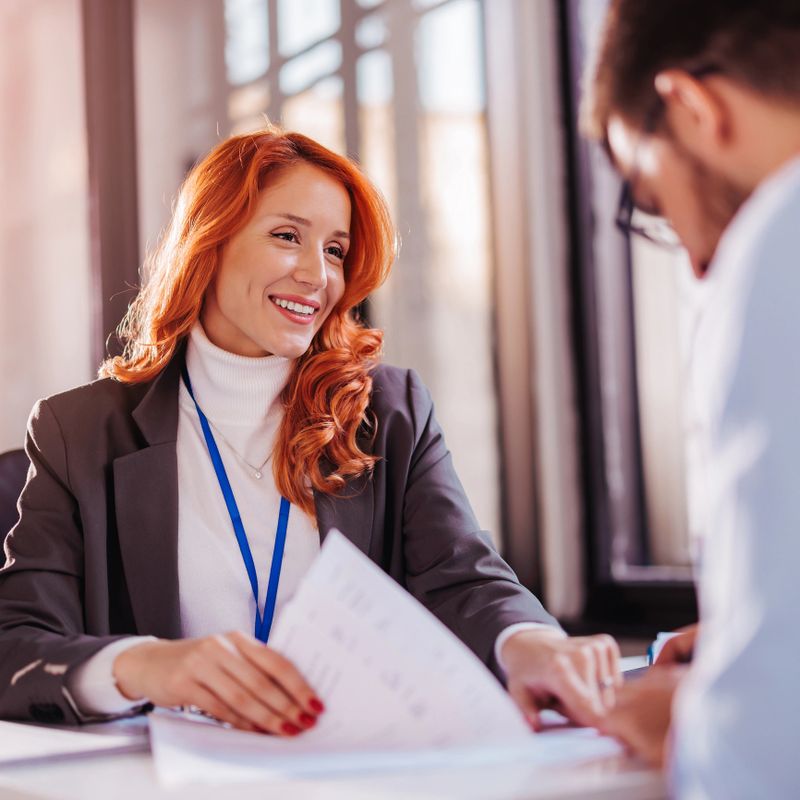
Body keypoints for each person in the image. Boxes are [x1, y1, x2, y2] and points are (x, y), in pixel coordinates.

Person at [0, 126, 621, 736]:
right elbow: (16, 649)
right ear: (208, 243)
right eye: (287, 236)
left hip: (342, 766)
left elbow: (466, 576)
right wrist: (143, 666)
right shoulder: (78, 432)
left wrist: (533, 643)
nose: (316, 275)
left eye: (334, 250)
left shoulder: (389, 412)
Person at [581, 1, 800, 796]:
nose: (696, 263)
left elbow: (763, 755)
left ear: (692, 107)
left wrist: (698, 715)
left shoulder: (777, 243)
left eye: (648, 193)